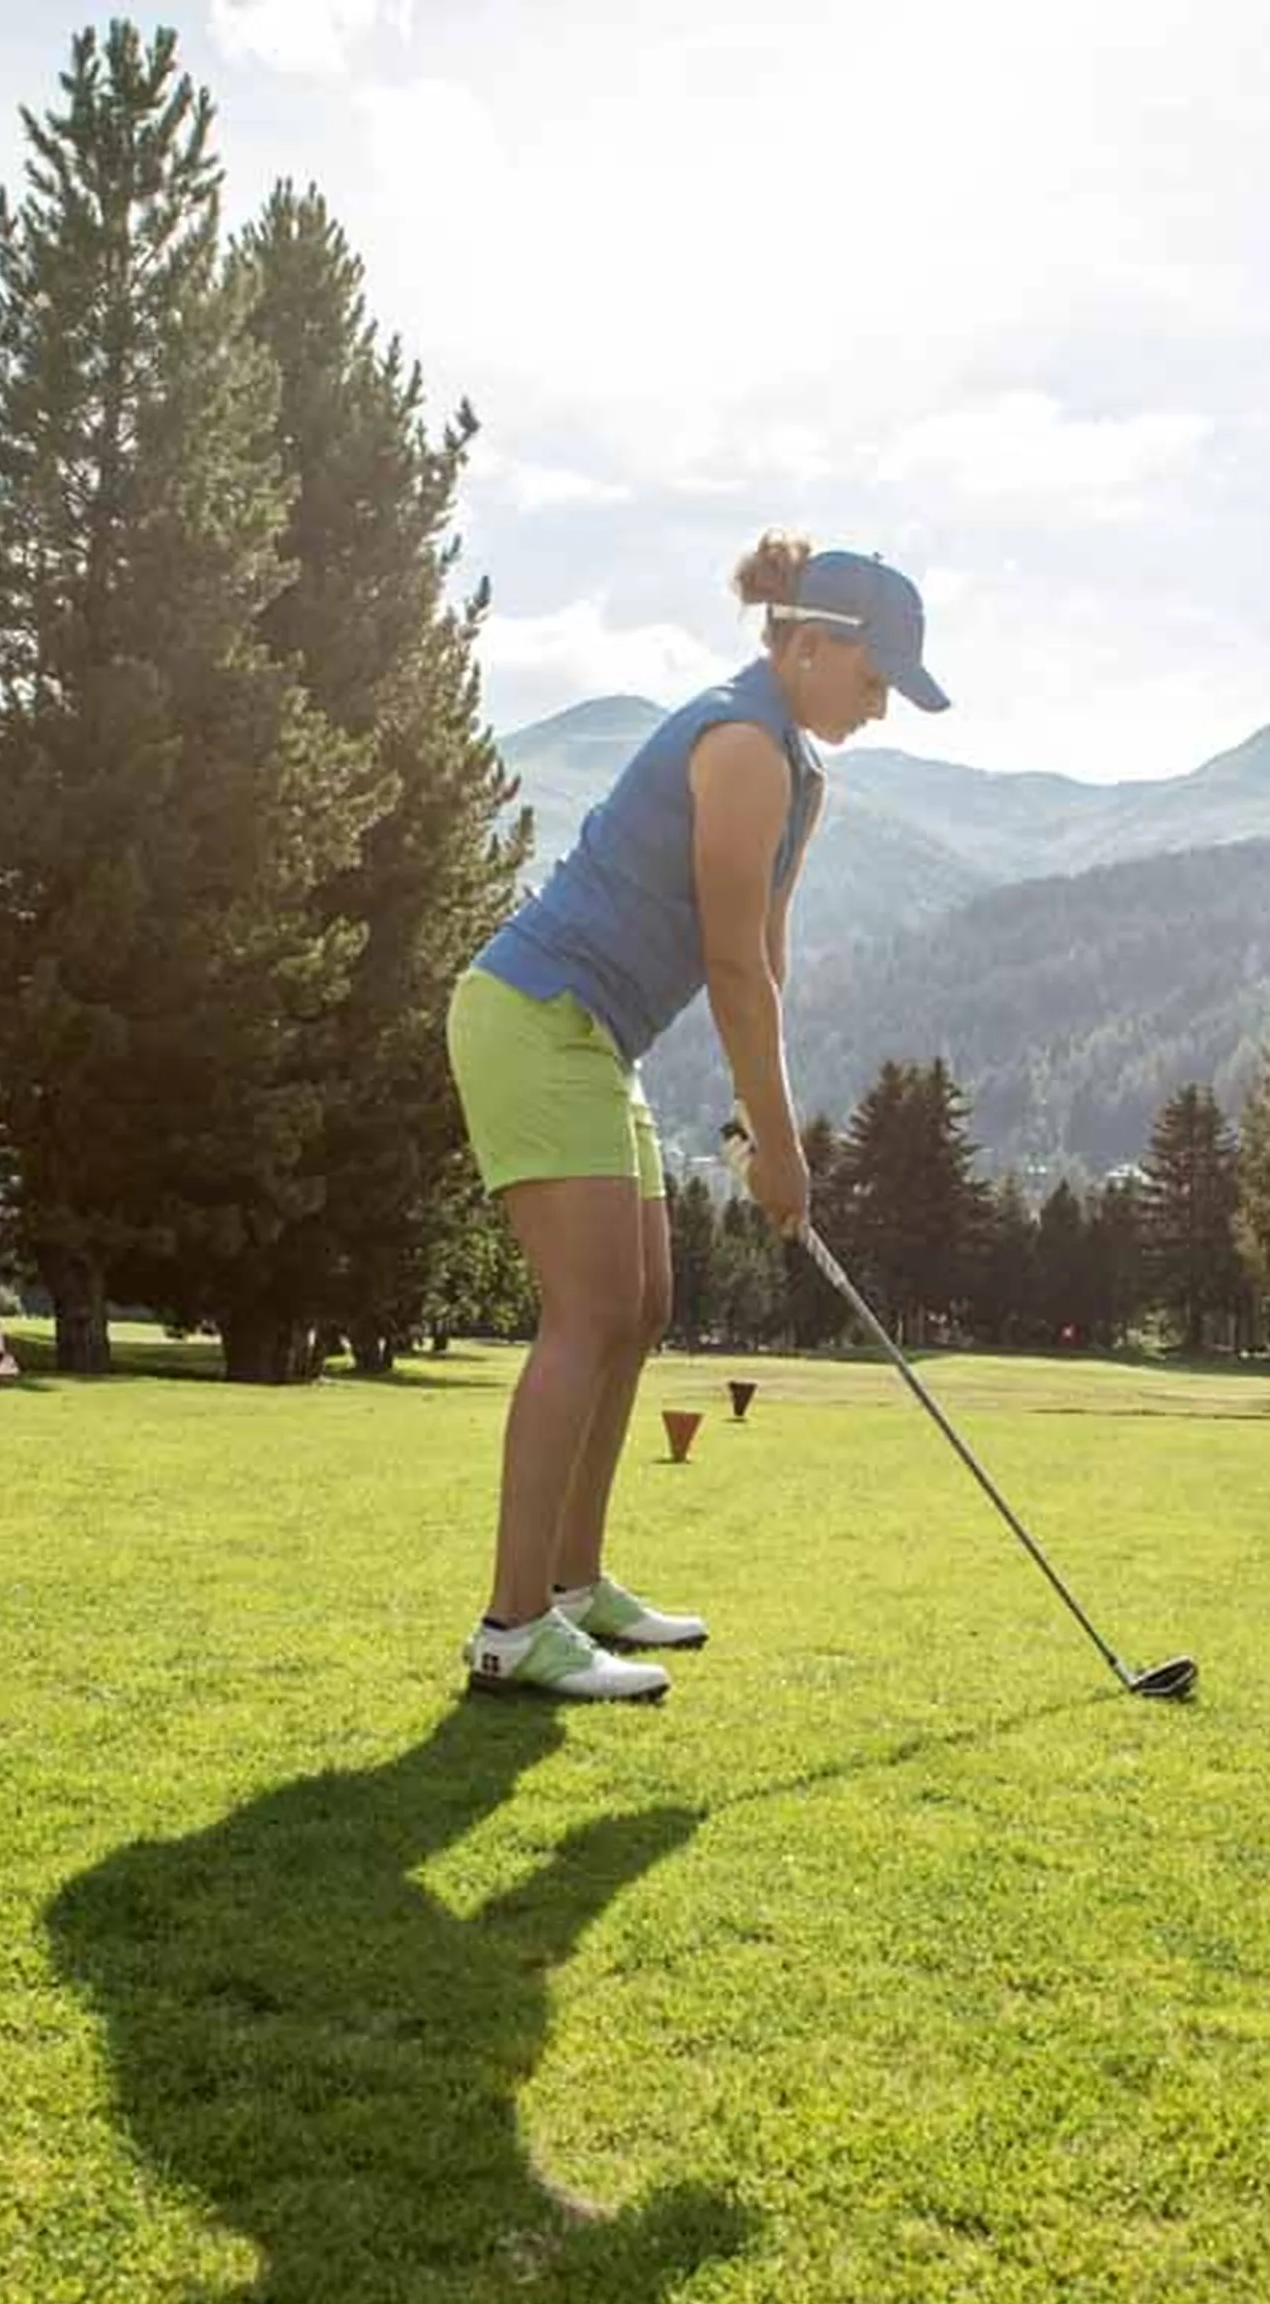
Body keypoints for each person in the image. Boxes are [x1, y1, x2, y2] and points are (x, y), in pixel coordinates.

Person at [443, 534, 949, 1699]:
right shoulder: (740, 744)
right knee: (591, 1310)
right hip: (534, 1014)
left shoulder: (800, 770)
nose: (882, 707)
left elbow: (765, 951)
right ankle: (513, 1629)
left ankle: (574, 1588)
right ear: (810, 644)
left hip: (595, 1037)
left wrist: (769, 1121)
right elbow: (727, 965)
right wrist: (777, 1148)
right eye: (874, 683)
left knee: (646, 1305)